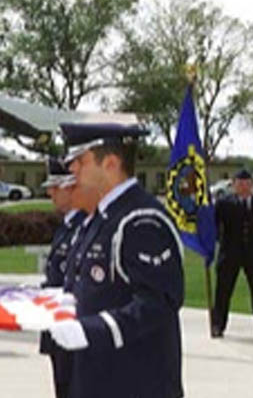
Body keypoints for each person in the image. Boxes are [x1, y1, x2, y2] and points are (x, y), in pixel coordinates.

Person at [51, 122, 185, 398]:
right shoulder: (101, 219)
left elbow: (159, 303)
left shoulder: (140, 220)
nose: (72, 169)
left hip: (134, 383)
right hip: (98, 378)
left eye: (80, 161)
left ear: (111, 163)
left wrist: (91, 330)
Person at [38, 157, 85, 398]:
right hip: (58, 323)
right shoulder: (67, 225)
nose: (50, 193)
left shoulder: (83, 225)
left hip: (72, 325)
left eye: (55, 187)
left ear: (70, 187)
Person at [211, 167, 253, 338]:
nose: (244, 187)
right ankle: (218, 325)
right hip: (230, 253)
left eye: (247, 183)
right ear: (234, 185)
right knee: (223, 292)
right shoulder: (224, 203)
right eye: (240, 184)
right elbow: (214, 225)